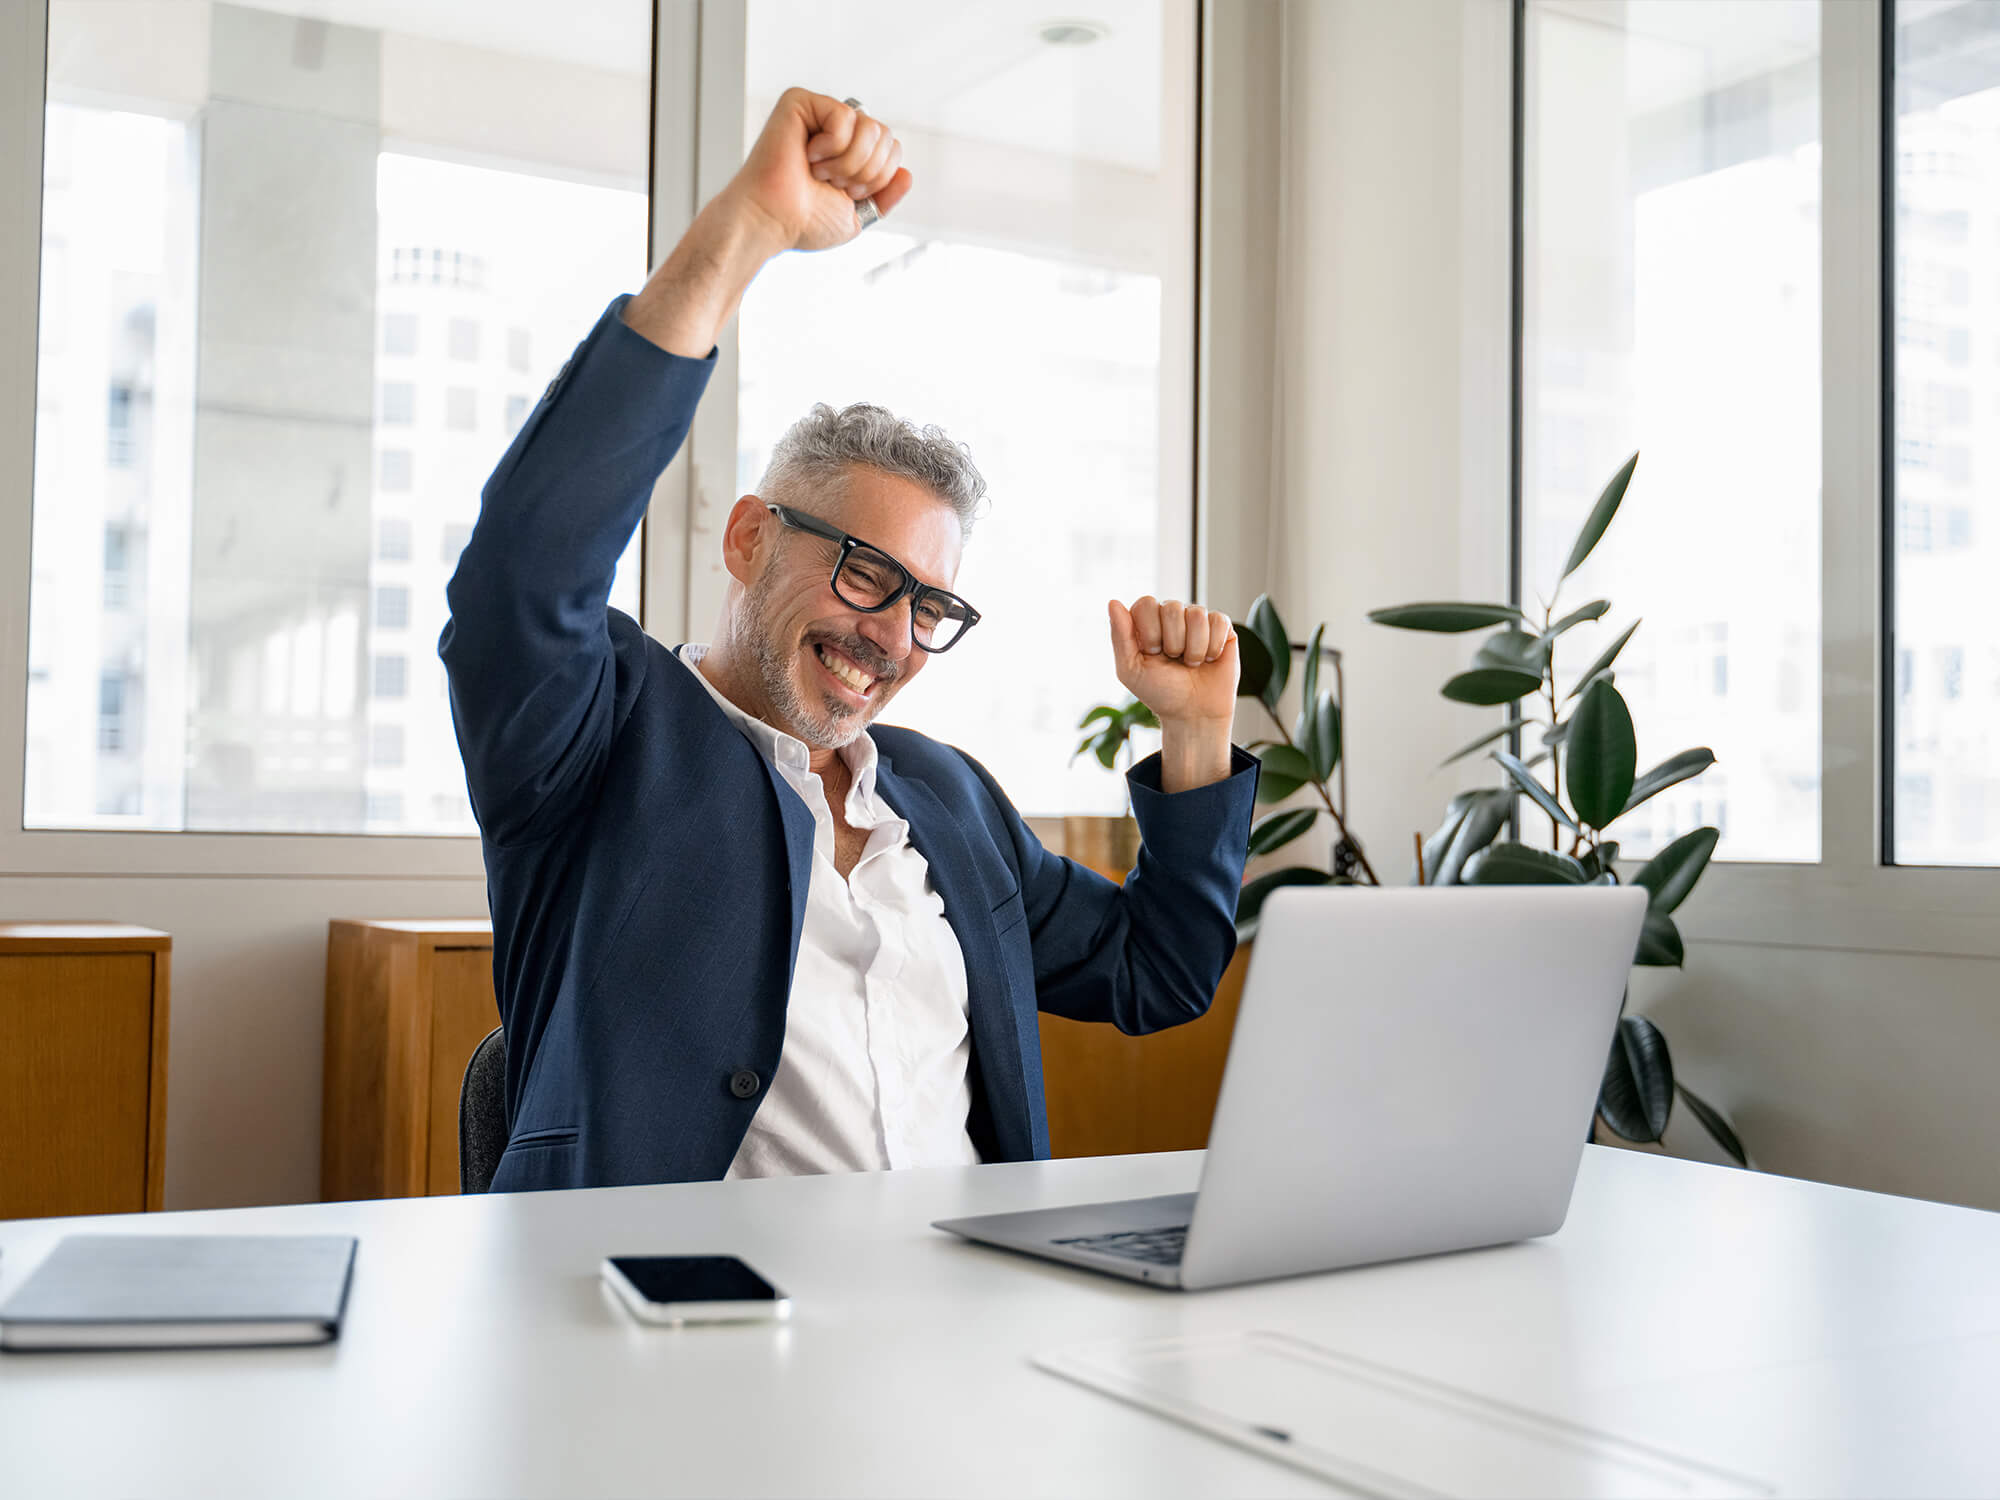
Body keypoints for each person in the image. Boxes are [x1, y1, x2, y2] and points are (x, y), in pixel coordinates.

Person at [441, 88, 1258, 1193]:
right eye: (864, 572)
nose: (888, 635)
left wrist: (1195, 731)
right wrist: (751, 229)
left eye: (926, 604)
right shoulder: (601, 740)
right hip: (688, 1328)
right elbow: (523, 571)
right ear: (745, 540)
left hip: (963, 1316)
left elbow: (1155, 973)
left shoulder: (946, 800)